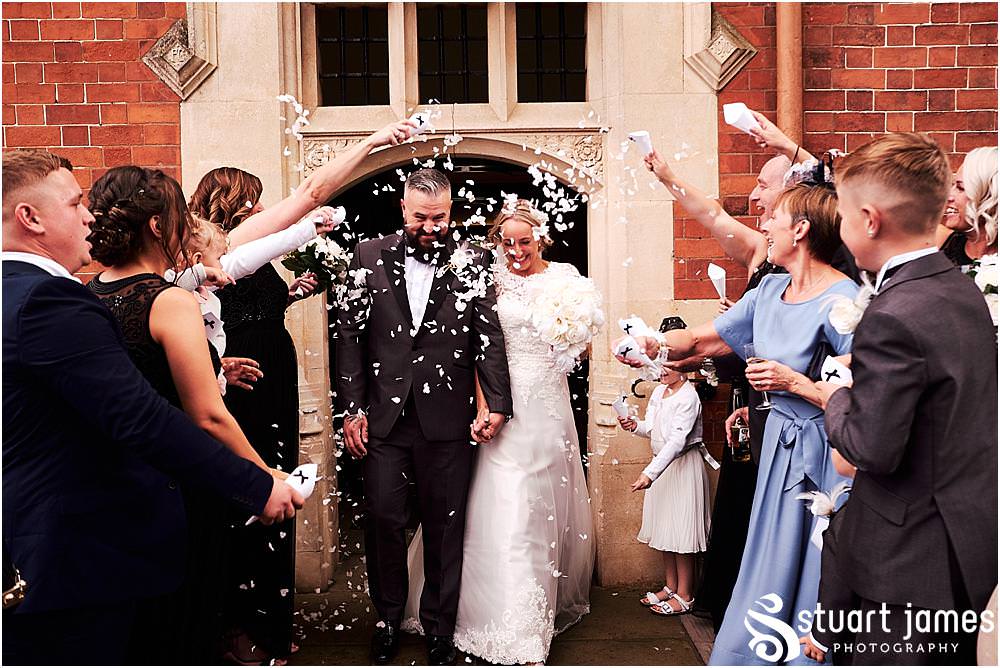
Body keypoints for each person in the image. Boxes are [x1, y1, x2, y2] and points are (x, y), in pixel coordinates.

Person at [1, 149, 301, 665]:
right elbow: (141, 417)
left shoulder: (38, 293)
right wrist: (257, 484)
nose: (89, 216)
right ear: (31, 218)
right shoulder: (51, 299)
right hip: (67, 549)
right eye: (75, 204)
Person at [189, 120, 415, 662]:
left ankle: (268, 617)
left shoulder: (244, 250)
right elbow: (310, 195)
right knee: (251, 487)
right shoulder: (232, 242)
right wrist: (371, 143)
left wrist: (287, 294)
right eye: (253, 199)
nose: (261, 206)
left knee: (275, 477)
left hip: (268, 367)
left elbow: (241, 301)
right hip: (242, 378)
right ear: (232, 202)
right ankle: (240, 626)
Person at [615, 182, 858, 665]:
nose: (763, 224)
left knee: (815, 558)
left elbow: (865, 394)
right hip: (776, 449)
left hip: (824, 456)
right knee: (769, 552)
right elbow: (702, 342)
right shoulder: (768, 289)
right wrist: (651, 346)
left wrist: (794, 383)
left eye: (775, 218)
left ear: (802, 230)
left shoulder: (844, 300)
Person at [85, 165, 292, 664]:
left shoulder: (90, 293)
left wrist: (217, 363)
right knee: (184, 620)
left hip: (117, 483)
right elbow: (208, 416)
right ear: (158, 227)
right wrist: (263, 476)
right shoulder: (170, 300)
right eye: (179, 216)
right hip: (177, 483)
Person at [811, 132, 998, 664]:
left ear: (870, 220)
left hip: (907, 562)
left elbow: (872, 449)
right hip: (966, 537)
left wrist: (838, 395)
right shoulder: (959, 286)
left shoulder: (893, 312)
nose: (841, 228)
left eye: (843, 214)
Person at [402, 199, 597, 664]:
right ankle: (497, 618)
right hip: (501, 403)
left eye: (523, 242)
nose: (514, 251)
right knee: (506, 500)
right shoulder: (487, 279)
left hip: (548, 404)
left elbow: (586, 344)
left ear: (541, 239)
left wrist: (570, 341)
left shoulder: (566, 279)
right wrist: (486, 403)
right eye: (505, 242)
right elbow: (473, 346)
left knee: (542, 505)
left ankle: (533, 615)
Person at [337, 168, 513, 665]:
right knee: (384, 519)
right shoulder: (366, 255)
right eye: (420, 217)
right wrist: (352, 408)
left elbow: (489, 336)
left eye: (440, 217)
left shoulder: (475, 259)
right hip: (384, 419)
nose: (431, 226)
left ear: (451, 211)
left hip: (448, 416)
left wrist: (496, 403)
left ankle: (440, 626)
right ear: (402, 209)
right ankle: (387, 617)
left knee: (445, 523)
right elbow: (349, 337)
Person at [620, 366, 710, 617]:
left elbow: (676, 441)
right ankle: (670, 587)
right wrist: (634, 425)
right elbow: (651, 428)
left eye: (668, 367)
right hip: (662, 467)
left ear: (684, 367)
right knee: (665, 529)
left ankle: (685, 594)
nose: (661, 372)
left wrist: (649, 473)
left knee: (681, 533)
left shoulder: (689, 396)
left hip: (681, 467)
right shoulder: (660, 391)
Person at [937, 145, 998, 266]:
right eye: (952, 185)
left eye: (960, 188)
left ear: (989, 197)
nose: (949, 196)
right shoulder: (940, 241)